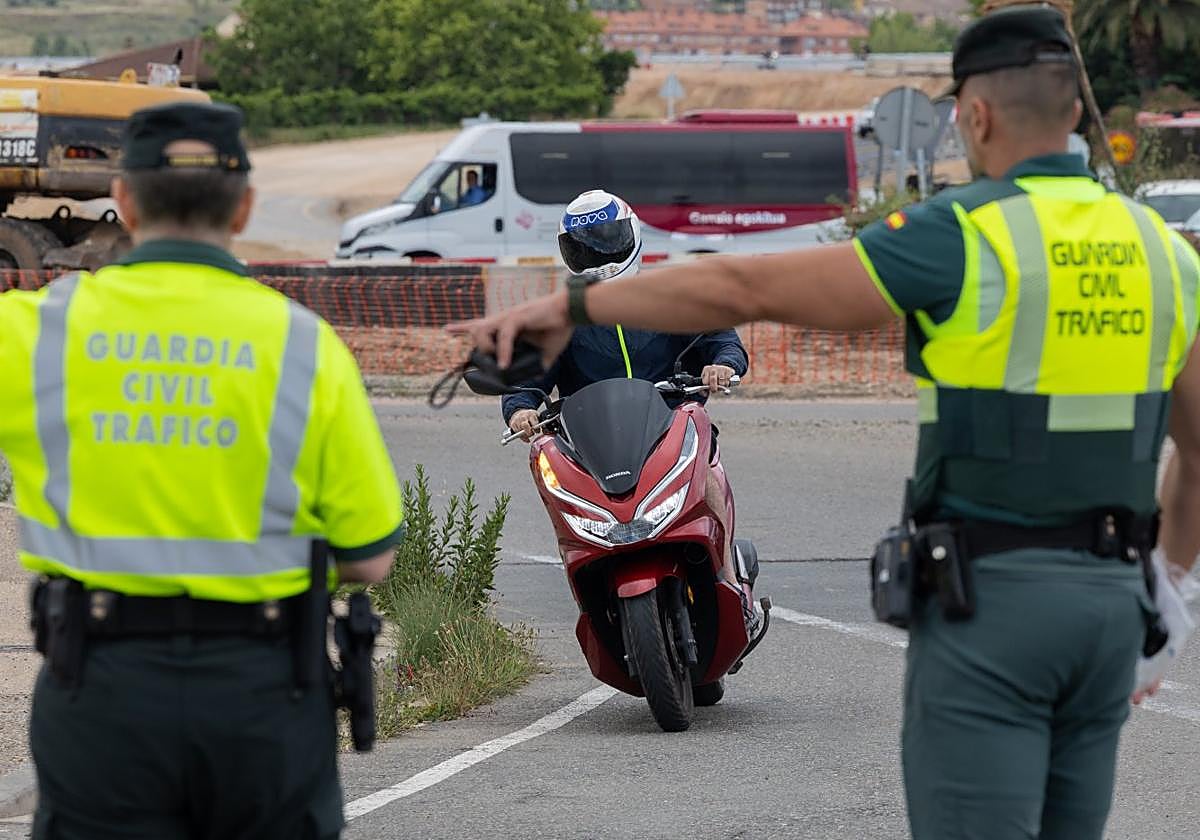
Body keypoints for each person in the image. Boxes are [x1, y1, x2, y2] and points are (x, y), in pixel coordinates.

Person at [449, 8, 1200, 840]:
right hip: (1111, 604)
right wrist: (1169, 585)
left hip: (994, 605)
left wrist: (568, 304)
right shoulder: (1164, 251)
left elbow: (743, 289)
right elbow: (1198, 448)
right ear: (1075, 113)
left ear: (975, 116)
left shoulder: (963, 235)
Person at [6, 102, 404, 839]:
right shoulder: (305, 348)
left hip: (99, 692)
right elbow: (371, 558)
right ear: (245, 207)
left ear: (122, 199)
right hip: (262, 696)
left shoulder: (35, 331)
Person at [506, 189, 758, 629]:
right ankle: (592, 585)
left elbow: (720, 338)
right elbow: (528, 375)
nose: (599, 253)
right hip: (594, 441)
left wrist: (722, 363)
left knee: (709, 473)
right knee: (556, 479)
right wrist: (520, 408)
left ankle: (730, 582)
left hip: (672, 423)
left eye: (607, 239)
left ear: (632, 235)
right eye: (586, 245)